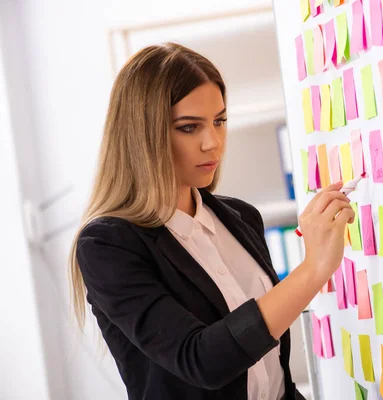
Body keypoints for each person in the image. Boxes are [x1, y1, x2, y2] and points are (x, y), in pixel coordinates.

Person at [68, 42, 355, 400]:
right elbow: (201, 361)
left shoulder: (242, 217)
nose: (212, 143)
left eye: (219, 121)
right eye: (189, 127)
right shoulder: (107, 245)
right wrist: (313, 268)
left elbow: (270, 371)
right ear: (143, 134)